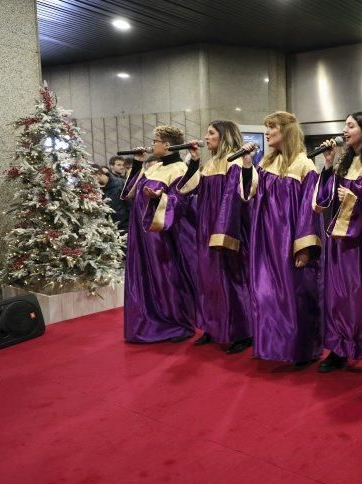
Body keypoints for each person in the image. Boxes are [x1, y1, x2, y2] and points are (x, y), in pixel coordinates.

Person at [246, 111, 323, 366]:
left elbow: (307, 211)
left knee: (293, 296)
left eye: (272, 128)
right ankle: (273, 346)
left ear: (287, 132)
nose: (267, 133)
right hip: (265, 240)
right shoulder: (265, 164)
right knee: (265, 294)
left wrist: (303, 247)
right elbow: (249, 194)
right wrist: (247, 166)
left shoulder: (304, 165)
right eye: (267, 127)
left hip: (289, 241)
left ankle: (300, 349)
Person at [313, 112, 362, 376]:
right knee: (338, 296)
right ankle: (339, 348)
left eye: (350, 125)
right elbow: (325, 200)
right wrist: (328, 165)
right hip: (340, 240)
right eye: (345, 125)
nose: (344, 129)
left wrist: (358, 195)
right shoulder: (344, 162)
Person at [181, 120, 254, 354]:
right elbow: (187, 189)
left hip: (226, 229)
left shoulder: (233, 161)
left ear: (224, 136)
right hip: (206, 228)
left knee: (231, 281)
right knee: (209, 281)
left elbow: (233, 199)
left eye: (211, 133)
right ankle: (213, 327)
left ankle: (242, 332)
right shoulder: (209, 164)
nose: (206, 136)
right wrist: (193, 161)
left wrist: (222, 231)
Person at [120, 125, 197, 343]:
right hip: (142, 236)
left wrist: (158, 199)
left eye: (156, 140)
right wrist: (137, 162)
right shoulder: (154, 167)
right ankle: (149, 320)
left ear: (167, 145)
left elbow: (180, 202)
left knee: (165, 277)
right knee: (146, 278)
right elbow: (128, 193)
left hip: (162, 236)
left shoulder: (180, 169)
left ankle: (174, 321)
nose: (152, 144)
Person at [97, 163, 129, 233]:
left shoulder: (120, 183)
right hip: (110, 228)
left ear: (98, 174)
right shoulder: (97, 189)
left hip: (125, 226)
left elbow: (130, 204)